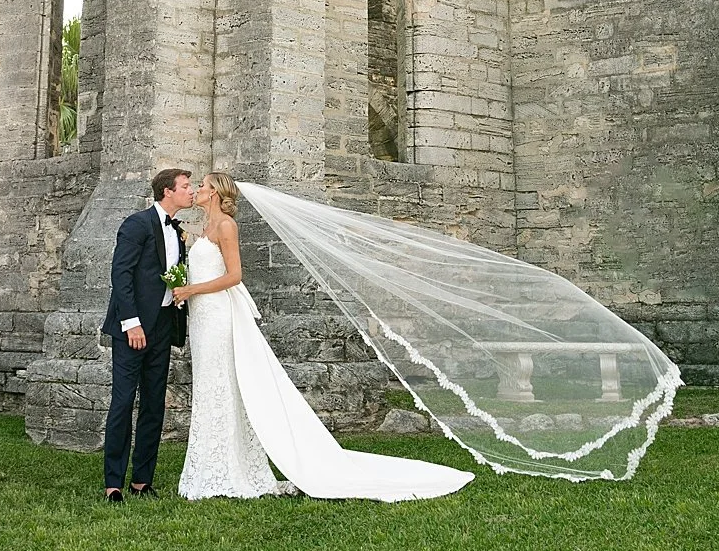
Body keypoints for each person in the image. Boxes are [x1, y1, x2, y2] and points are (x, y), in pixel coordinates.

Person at [171, 170, 471, 502]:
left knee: (223, 385)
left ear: (214, 193)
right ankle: (211, 465)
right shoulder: (202, 227)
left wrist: (192, 288)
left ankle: (229, 470)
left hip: (217, 315)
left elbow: (235, 275)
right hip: (201, 317)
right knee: (210, 385)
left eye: (202, 186)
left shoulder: (226, 225)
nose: (197, 189)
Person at [99, 166, 192, 502]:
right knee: (123, 402)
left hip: (164, 325)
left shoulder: (179, 231)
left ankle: (142, 480)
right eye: (186, 186)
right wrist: (131, 323)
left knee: (154, 404)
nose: (191, 191)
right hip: (133, 328)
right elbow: (120, 274)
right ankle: (113, 484)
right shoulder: (136, 224)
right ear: (167, 191)